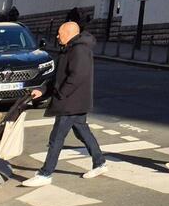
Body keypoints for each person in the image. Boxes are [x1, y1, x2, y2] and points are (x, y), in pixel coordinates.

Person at [21, 21, 107, 187]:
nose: (57, 36)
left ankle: (45, 173)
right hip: (74, 100)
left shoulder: (79, 50)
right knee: (82, 132)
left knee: (56, 138)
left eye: (60, 33)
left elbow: (76, 77)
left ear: (69, 33)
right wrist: (43, 90)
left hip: (71, 102)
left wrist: (60, 94)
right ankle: (100, 163)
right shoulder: (70, 48)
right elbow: (58, 76)